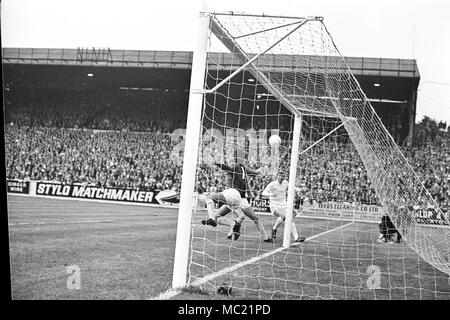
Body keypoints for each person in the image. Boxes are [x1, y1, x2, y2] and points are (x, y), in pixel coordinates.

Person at [201, 161, 272, 242]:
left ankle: (265, 237)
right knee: (217, 216)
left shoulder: (235, 169)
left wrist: (217, 163)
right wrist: (257, 172)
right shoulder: (242, 170)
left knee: (253, 217)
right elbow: (251, 173)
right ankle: (232, 228)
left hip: (238, 198)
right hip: (232, 198)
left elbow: (227, 168)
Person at [261, 173, 305, 243]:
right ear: (277, 176)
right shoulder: (272, 184)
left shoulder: (285, 183)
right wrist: (271, 194)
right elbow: (263, 193)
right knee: (287, 217)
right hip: (275, 205)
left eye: (283, 176)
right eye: (280, 176)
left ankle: (274, 229)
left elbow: (292, 187)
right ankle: (296, 238)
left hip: (284, 205)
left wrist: (299, 190)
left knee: (290, 217)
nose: (281, 177)